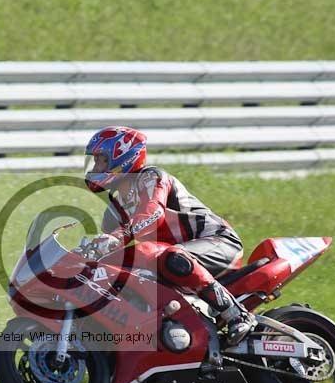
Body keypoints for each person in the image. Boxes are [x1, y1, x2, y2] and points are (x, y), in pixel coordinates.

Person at [83, 126, 256, 346]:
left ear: (123, 157)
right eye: (95, 161)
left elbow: (153, 214)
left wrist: (117, 237)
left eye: (101, 160)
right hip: (177, 258)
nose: (96, 167)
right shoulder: (113, 211)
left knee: (171, 256)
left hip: (218, 241)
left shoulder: (152, 178)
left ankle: (236, 315)